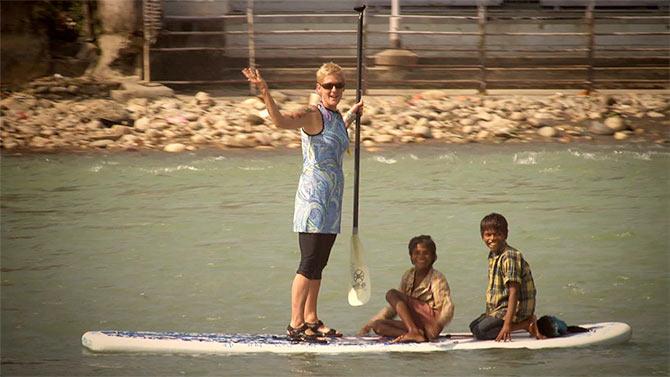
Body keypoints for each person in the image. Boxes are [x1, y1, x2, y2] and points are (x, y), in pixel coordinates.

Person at [242, 63, 364, 340]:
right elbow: (280, 121)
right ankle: (295, 323)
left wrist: (351, 115)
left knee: (320, 263)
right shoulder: (311, 113)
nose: (334, 90)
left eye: (339, 85)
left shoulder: (334, 118)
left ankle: (311, 319)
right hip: (312, 201)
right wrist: (265, 92)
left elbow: (335, 135)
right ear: (318, 88)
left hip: (332, 202)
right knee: (308, 263)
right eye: (328, 85)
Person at [357, 235, 454, 343]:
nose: (421, 257)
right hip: (417, 325)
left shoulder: (437, 278)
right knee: (378, 326)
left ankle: (413, 331)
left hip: (431, 323)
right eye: (417, 253)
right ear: (411, 257)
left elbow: (448, 307)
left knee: (391, 294)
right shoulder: (408, 275)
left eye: (426, 253)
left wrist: (438, 324)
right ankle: (417, 334)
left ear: (434, 257)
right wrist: (368, 325)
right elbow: (396, 307)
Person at [469, 213, 545, 341]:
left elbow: (514, 292)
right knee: (474, 327)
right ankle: (515, 324)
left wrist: (507, 325)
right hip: (500, 308)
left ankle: (526, 323)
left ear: (505, 235)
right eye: (488, 235)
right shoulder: (493, 254)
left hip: (517, 310)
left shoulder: (509, 256)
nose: (492, 238)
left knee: (481, 332)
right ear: (482, 236)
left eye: (497, 234)